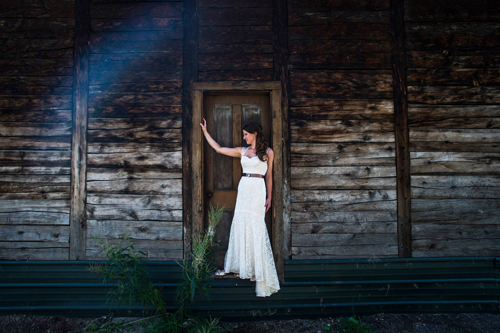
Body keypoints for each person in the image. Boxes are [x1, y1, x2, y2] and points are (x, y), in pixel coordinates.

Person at [200, 118, 280, 297]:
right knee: (241, 224)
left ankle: (255, 268)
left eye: (246, 134)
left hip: (258, 190)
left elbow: (269, 176)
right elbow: (219, 149)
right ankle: (238, 266)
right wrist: (205, 132)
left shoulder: (268, 152)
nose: (244, 137)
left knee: (256, 226)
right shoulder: (242, 151)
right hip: (244, 189)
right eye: (243, 135)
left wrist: (270, 196)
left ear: (255, 134)